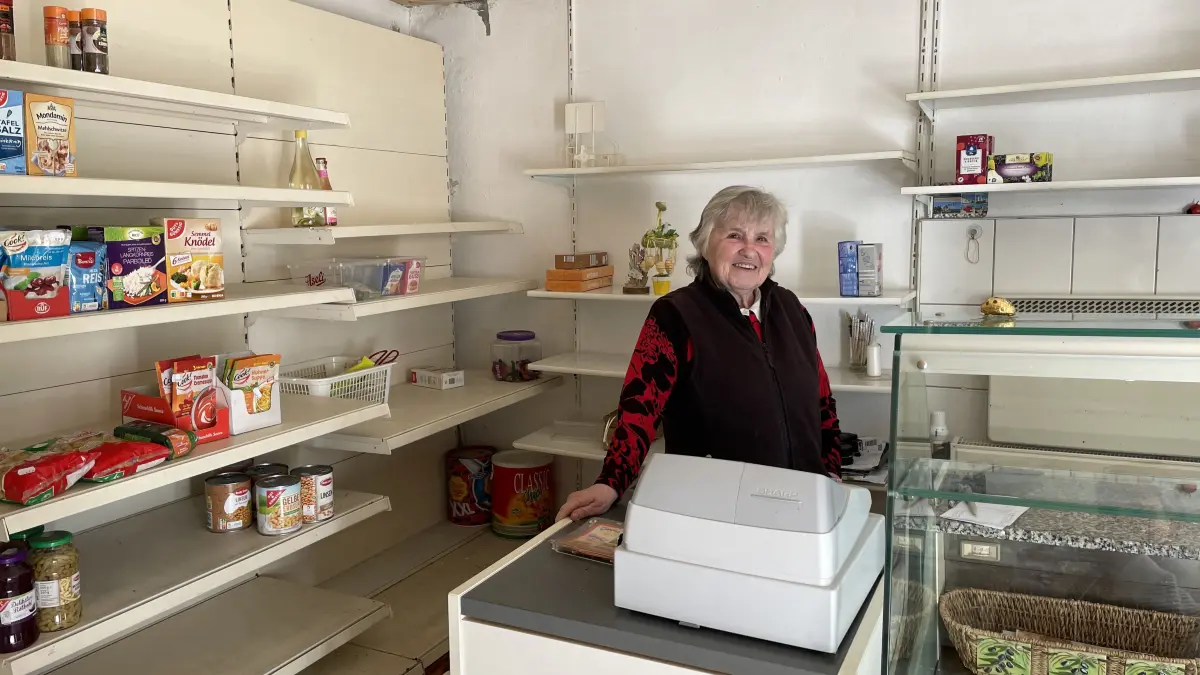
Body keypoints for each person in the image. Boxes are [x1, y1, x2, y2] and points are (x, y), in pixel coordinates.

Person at [556, 185, 843, 522]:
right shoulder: (676, 315)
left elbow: (822, 403)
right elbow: (639, 409)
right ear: (706, 243)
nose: (750, 250)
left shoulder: (792, 310)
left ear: (774, 251)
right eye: (735, 235)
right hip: (715, 510)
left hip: (801, 503)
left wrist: (831, 475)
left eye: (762, 239)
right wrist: (611, 482)